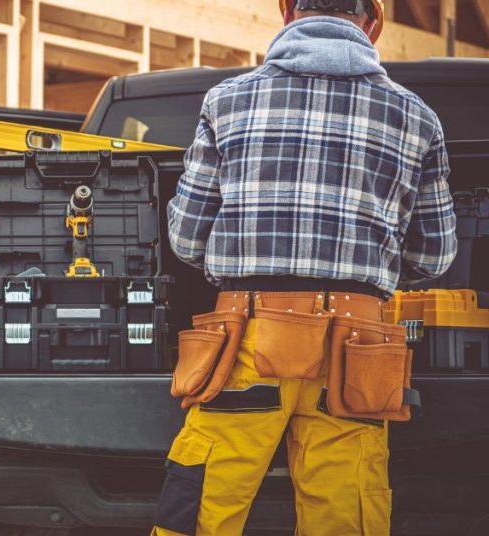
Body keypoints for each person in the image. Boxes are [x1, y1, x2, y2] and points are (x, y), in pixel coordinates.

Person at [154, 0, 458, 534]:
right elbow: (434, 254)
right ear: (373, 21)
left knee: (200, 511)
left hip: (243, 342)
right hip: (356, 353)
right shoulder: (416, 117)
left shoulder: (227, 101)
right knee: (347, 516)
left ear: (288, 11)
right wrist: (368, 271)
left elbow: (184, 237)